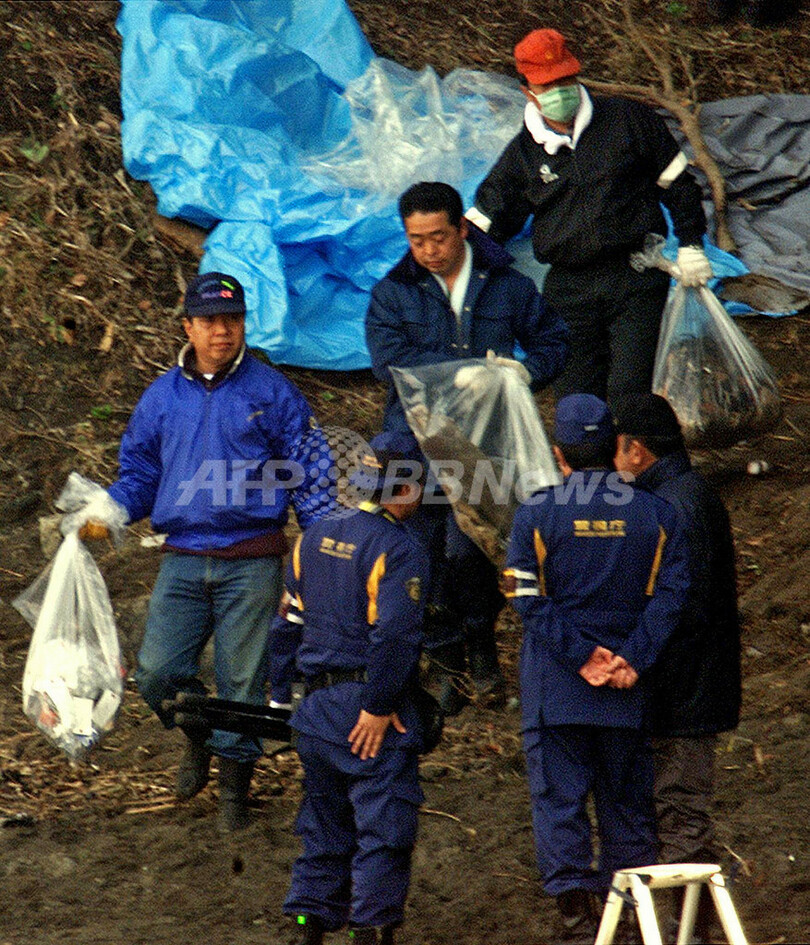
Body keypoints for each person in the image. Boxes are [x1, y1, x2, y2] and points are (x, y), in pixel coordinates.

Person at [79, 271, 335, 830]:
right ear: (188, 327)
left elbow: (311, 472)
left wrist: (318, 553)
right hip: (184, 557)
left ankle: (233, 795)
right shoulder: (162, 397)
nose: (223, 332)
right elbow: (141, 473)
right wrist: (111, 510)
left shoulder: (271, 392)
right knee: (155, 673)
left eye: (233, 320)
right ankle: (199, 735)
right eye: (211, 321)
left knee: (242, 684)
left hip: (253, 558)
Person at [366, 180, 569, 714]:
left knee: (470, 552)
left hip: (484, 447)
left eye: (439, 237)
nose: (429, 251)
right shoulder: (394, 291)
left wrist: (524, 372)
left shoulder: (506, 285)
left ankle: (481, 650)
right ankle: (444, 661)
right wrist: (462, 375)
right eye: (416, 240)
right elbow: (388, 362)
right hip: (418, 445)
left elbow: (554, 340)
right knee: (419, 555)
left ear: (462, 229)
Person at [503, 394, 690, 943]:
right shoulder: (657, 514)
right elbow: (672, 595)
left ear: (559, 454)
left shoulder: (536, 512)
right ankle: (631, 921)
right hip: (625, 693)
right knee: (628, 808)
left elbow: (525, 596)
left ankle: (577, 921)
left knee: (559, 805)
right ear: (615, 447)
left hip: (556, 691)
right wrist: (632, 656)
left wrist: (581, 656)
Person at [467, 28, 712, 406]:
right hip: (569, 286)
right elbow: (489, 219)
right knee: (577, 401)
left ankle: (641, 459)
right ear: (527, 91)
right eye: (547, 85)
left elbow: (678, 184)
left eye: (565, 79)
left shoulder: (629, 121)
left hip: (634, 274)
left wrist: (692, 244)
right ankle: (590, 463)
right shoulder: (524, 155)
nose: (559, 91)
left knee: (631, 391)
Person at [268, 437, 430, 945]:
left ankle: (306, 924)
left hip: (314, 713)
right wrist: (378, 706)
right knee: (383, 830)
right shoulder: (399, 548)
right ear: (402, 488)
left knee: (323, 826)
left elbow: (287, 622)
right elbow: (395, 636)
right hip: (363, 713)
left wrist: (280, 699)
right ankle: (371, 930)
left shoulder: (313, 535)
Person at [613, 392, 741, 942]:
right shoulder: (684, 493)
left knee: (680, 818)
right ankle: (699, 930)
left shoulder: (674, 505)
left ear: (636, 451)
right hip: (690, 687)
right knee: (676, 816)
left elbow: (681, 608)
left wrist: (636, 663)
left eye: (618, 449)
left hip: (685, 693)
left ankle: (688, 934)